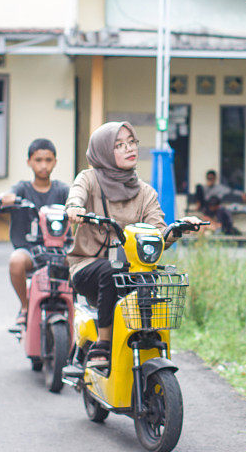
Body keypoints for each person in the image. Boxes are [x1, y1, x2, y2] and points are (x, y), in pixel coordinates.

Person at [65, 121, 201, 365]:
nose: (130, 149)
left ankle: (150, 344)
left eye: (132, 142)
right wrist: (75, 207)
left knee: (152, 277)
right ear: (104, 152)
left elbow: (159, 234)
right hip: (88, 266)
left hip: (132, 270)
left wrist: (179, 228)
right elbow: (77, 194)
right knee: (111, 271)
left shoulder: (145, 192)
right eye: (119, 145)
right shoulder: (89, 179)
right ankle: (103, 345)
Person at [0, 138, 70, 329]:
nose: (43, 165)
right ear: (29, 161)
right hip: (30, 251)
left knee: (83, 262)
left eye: (48, 160)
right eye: (38, 160)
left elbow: (79, 202)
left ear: (55, 162)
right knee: (16, 261)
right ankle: (25, 306)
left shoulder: (63, 191)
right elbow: (5, 197)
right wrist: (7, 198)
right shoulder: (22, 189)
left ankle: (78, 308)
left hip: (60, 250)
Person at [193, 169, 245, 235]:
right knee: (198, 187)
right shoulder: (204, 188)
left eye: (211, 178)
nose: (210, 180)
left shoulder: (220, 188)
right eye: (208, 178)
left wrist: (241, 193)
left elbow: (231, 191)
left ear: (215, 178)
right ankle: (199, 206)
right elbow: (204, 197)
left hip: (215, 207)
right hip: (206, 207)